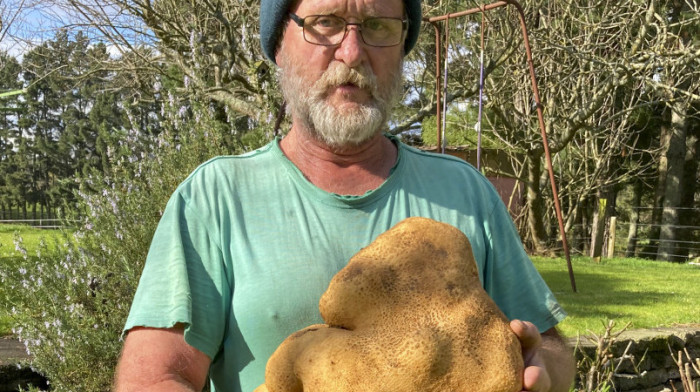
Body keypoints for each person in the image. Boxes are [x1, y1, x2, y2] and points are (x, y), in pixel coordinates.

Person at [114, 0, 576, 390]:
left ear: (401, 47)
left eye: (378, 26)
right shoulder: (215, 198)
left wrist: (544, 368)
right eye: (326, 22)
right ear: (279, 45)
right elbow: (152, 378)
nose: (352, 52)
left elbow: (554, 349)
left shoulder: (464, 191)